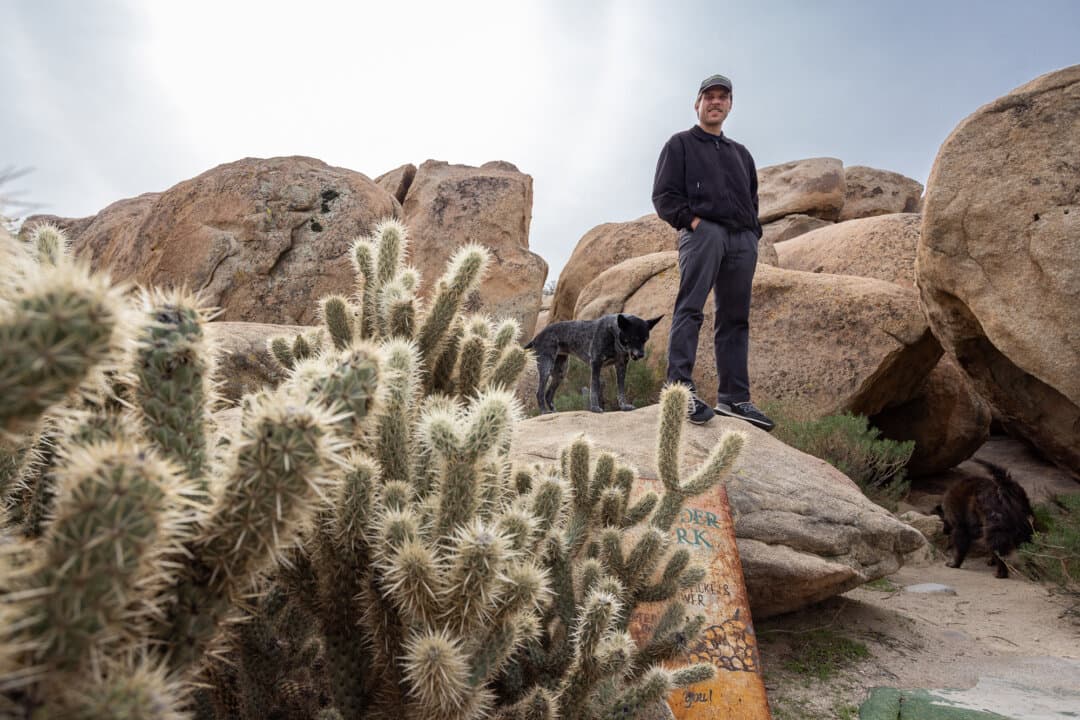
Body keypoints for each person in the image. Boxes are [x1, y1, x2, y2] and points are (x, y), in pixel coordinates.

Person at [651, 73, 774, 431]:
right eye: (709, 96)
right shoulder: (680, 144)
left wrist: (754, 233)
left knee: (735, 319)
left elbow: (751, 199)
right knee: (690, 308)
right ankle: (679, 390)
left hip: (742, 240)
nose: (715, 102)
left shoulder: (741, 154)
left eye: (722, 97)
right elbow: (664, 196)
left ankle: (734, 398)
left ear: (730, 105)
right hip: (703, 233)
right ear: (698, 103)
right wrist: (693, 223)